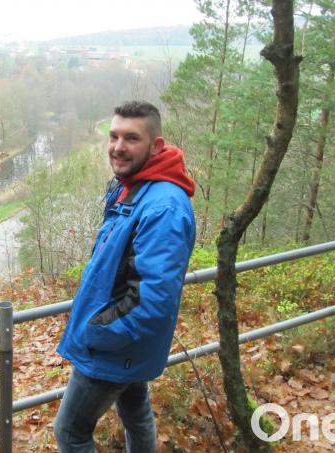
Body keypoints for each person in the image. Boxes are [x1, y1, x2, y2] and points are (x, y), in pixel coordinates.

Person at [53, 101, 197, 453]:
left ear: (156, 146)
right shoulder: (132, 186)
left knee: (70, 432)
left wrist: (98, 330)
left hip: (114, 343)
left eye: (131, 138)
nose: (118, 147)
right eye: (114, 136)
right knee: (136, 410)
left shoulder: (163, 205)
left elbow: (153, 299)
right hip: (126, 342)